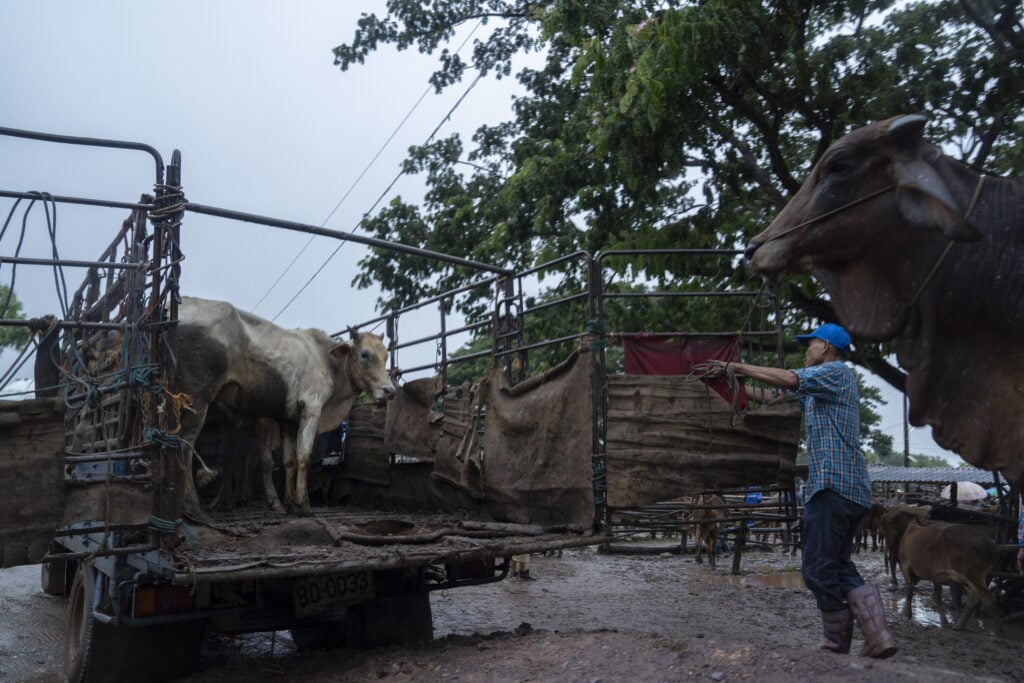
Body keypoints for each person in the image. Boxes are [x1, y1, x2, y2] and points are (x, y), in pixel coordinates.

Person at [706, 322, 896, 659]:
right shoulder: (822, 387)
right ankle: (877, 636)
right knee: (838, 565)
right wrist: (733, 385)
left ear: (825, 347)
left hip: (833, 487)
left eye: (809, 345)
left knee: (816, 569)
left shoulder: (835, 372)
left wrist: (735, 366)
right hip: (850, 489)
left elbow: (790, 379)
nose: (805, 352)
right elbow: (777, 395)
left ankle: (835, 645)